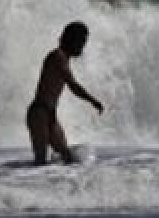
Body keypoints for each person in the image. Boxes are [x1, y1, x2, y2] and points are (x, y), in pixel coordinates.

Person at [26, 22, 104, 165]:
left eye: (84, 42)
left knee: (67, 157)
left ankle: (59, 185)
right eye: (81, 42)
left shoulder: (64, 59)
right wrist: (93, 101)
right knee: (41, 161)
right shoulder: (57, 56)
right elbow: (73, 86)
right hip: (39, 113)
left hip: (50, 114)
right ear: (71, 39)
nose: (82, 46)